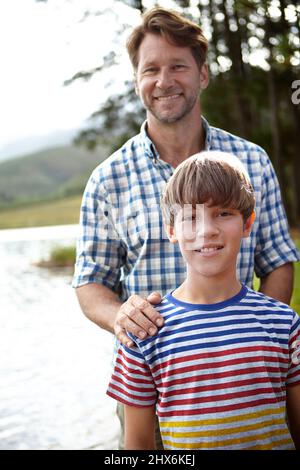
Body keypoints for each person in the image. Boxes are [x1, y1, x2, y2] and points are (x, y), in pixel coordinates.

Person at [73, 7, 299, 447]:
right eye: (150, 69)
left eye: (178, 66)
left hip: (249, 370)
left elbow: (278, 261)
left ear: (202, 74)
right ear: (137, 80)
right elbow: (90, 284)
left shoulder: (251, 160)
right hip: (155, 375)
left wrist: (255, 342)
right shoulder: (107, 179)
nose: (164, 81)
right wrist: (121, 317)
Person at [107, 151, 300, 450]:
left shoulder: (284, 323)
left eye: (224, 213)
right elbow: (138, 448)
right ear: (172, 230)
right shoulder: (144, 333)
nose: (207, 230)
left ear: (247, 224)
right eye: (191, 217)